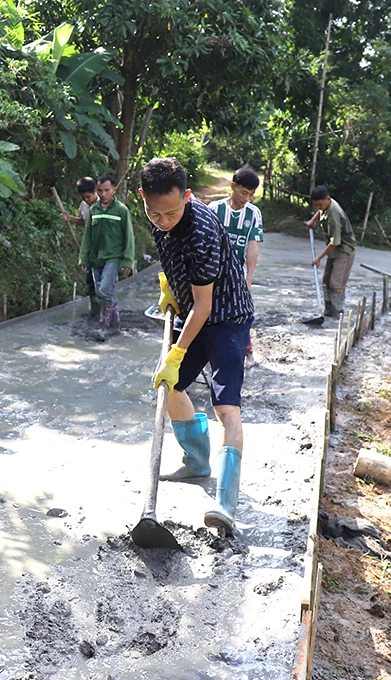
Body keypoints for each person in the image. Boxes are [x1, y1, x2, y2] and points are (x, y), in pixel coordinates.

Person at [140, 157, 254, 534]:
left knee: (226, 407)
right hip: (195, 311)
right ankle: (197, 461)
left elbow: (205, 307)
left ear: (188, 197)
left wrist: (176, 353)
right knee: (168, 387)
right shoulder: (157, 216)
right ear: (143, 198)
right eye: (154, 212)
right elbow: (173, 261)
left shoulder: (201, 230)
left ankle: (225, 500)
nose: (163, 220)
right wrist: (170, 288)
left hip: (227, 317)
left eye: (171, 212)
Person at [208, 167, 263, 368]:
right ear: (233, 187)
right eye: (243, 192)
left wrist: (248, 279)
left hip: (237, 275)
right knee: (208, 313)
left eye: (251, 194)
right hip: (212, 273)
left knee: (242, 315)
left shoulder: (253, 213)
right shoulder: (214, 209)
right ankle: (206, 354)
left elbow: (252, 246)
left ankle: (246, 351)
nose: (247, 198)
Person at [78, 174, 135, 332]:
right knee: (100, 291)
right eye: (100, 190)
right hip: (96, 258)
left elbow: (129, 237)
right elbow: (88, 236)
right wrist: (83, 257)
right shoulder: (93, 209)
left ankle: (104, 325)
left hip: (114, 257)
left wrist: (127, 260)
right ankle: (115, 322)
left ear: (114, 190)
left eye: (107, 190)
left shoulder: (121, 210)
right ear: (96, 190)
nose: (103, 194)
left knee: (104, 290)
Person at [307, 185, 357, 319]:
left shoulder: (334, 215)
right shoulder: (326, 204)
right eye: (316, 206)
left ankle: (338, 313)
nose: (319, 208)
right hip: (334, 250)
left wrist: (319, 258)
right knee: (326, 280)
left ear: (328, 199)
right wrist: (313, 220)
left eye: (320, 205)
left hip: (344, 250)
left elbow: (335, 242)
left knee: (336, 283)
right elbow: (321, 211)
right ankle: (328, 311)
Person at [62, 177, 100, 318]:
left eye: (88, 197)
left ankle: (107, 313)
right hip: (90, 249)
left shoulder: (105, 205)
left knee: (104, 284)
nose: (86, 200)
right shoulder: (84, 205)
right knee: (91, 281)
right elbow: (83, 222)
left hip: (104, 250)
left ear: (95, 191)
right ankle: (95, 311)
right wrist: (70, 218)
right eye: (83, 198)